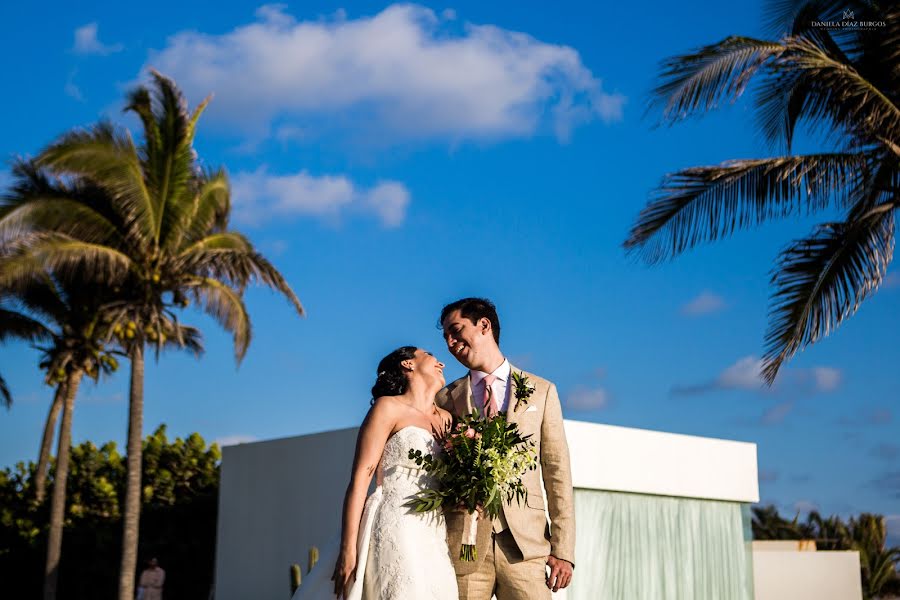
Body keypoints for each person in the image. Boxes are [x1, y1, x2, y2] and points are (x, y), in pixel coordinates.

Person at [437, 298, 575, 600]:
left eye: (456, 330)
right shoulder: (444, 399)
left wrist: (563, 550)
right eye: (445, 336)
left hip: (527, 548)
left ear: (484, 325)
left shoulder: (542, 391)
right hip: (466, 547)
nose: (450, 342)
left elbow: (557, 472)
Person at [294, 346, 459, 600]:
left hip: (433, 528)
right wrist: (348, 548)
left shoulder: (448, 420)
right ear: (408, 364)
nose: (442, 364)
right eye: (430, 356)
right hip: (396, 519)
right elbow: (361, 477)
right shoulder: (388, 408)